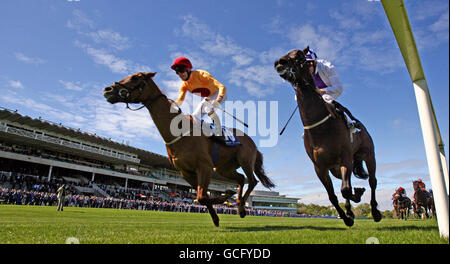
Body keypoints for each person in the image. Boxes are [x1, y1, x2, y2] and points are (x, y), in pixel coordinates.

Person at [303, 47, 360, 132]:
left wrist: (323, 90)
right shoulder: (305, 73)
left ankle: (351, 122)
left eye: (309, 65)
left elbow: (339, 88)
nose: (307, 68)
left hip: (331, 90)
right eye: (305, 66)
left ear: (314, 62)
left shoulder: (328, 67)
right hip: (318, 92)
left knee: (325, 98)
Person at [171, 57, 227, 137]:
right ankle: (209, 130)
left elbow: (222, 87)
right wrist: (171, 106)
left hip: (219, 93)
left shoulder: (201, 74)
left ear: (188, 69)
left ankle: (219, 133)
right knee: (194, 118)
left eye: (181, 70)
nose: (179, 74)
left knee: (208, 108)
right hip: (209, 97)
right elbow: (180, 100)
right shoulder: (184, 86)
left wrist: (218, 100)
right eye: (177, 72)